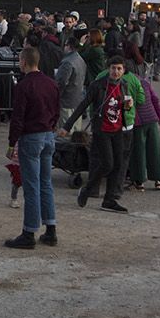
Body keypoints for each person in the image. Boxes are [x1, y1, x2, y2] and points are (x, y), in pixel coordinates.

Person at [62, 57, 142, 213]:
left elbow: (123, 108)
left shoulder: (124, 85)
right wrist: (67, 126)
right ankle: (88, 189)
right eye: (113, 68)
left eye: (119, 69)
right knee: (107, 164)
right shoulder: (98, 85)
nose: (116, 71)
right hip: (102, 130)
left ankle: (109, 200)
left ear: (123, 71)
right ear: (108, 69)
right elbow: (83, 105)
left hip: (118, 130)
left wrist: (128, 106)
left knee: (118, 165)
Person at [4, 45, 59, 250]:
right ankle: (50, 228)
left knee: (31, 185)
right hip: (48, 134)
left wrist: (12, 142)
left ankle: (29, 231)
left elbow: (18, 117)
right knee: (45, 183)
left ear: (24, 62)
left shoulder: (24, 86)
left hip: (31, 136)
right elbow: (57, 110)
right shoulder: (51, 83)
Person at [128, 71, 160, 190]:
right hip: (152, 118)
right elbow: (155, 99)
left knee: (138, 152)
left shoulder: (125, 83)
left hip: (137, 121)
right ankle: (158, 179)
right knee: (154, 150)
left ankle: (139, 181)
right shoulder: (144, 82)